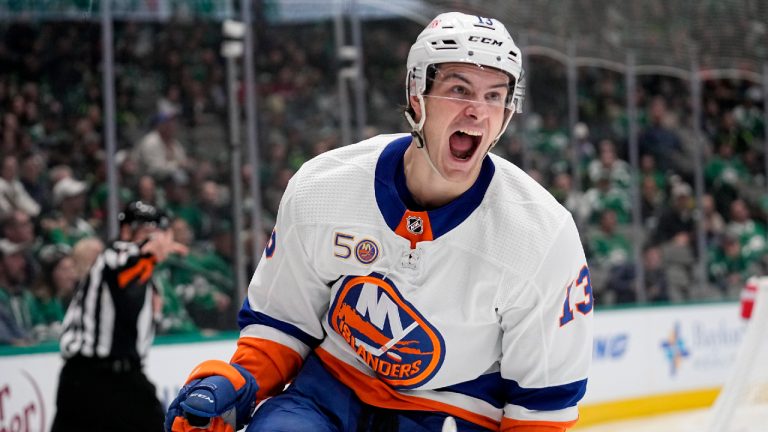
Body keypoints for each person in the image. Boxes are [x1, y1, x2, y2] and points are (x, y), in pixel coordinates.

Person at [166, 12, 593, 432]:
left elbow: (541, 408)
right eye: (459, 89)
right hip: (328, 394)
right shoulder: (324, 188)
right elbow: (284, 322)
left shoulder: (541, 237)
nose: (478, 112)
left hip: (456, 412)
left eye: (495, 96)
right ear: (416, 96)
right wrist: (238, 383)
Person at [52, 201, 188, 432]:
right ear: (126, 231)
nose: (154, 242)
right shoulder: (115, 255)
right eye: (147, 234)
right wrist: (150, 256)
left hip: (124, 378)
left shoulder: (146, 275)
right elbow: (127, 270)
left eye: (158, 235)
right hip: (87, 377)